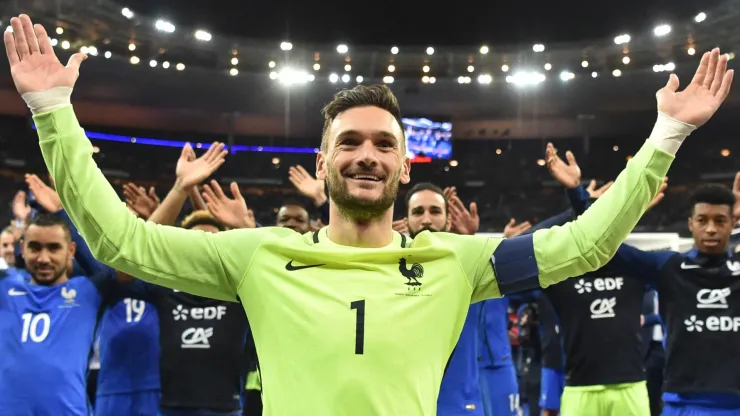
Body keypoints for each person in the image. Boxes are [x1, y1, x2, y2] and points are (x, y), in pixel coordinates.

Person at [6, 14, 733, 414]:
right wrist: (52, 114)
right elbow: (121, 241)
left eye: (383, 143)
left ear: (405, 165)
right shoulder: (258, 255)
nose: (366, 154)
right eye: (347, 141)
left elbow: (585, 244)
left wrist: (666, 135)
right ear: (322, 164)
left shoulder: (456, 260)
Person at [24, 172, 162, 416]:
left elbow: (158, 256)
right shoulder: (91, 280)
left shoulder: (163, 275)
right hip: (108, 380)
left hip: (155, 382)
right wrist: (62, 212)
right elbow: (93, 262)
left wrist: (157, 223)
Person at [604, 184, 740, 415]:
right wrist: (580, 198)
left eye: (720, 221)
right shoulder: (668, 267)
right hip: (683, 405)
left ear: (733, 224)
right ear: (690, 224)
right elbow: (606, 248)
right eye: (702, 220)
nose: (710, 229)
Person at [0, 214, 117, 415]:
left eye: (54, 248)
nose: (43, 258)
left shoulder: (89, 291)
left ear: (71, 250)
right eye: (35, 247)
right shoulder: (4, 286)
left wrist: (177, 192)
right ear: (22, 248)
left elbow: (132, 258)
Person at [401, 182, 485, 416]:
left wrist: (470, 240)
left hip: (458, 406)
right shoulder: (386, 269)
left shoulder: (470, 267)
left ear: (448, 221)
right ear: (405, 221)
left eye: (435, 211)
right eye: (418, 212)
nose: (426, 219)